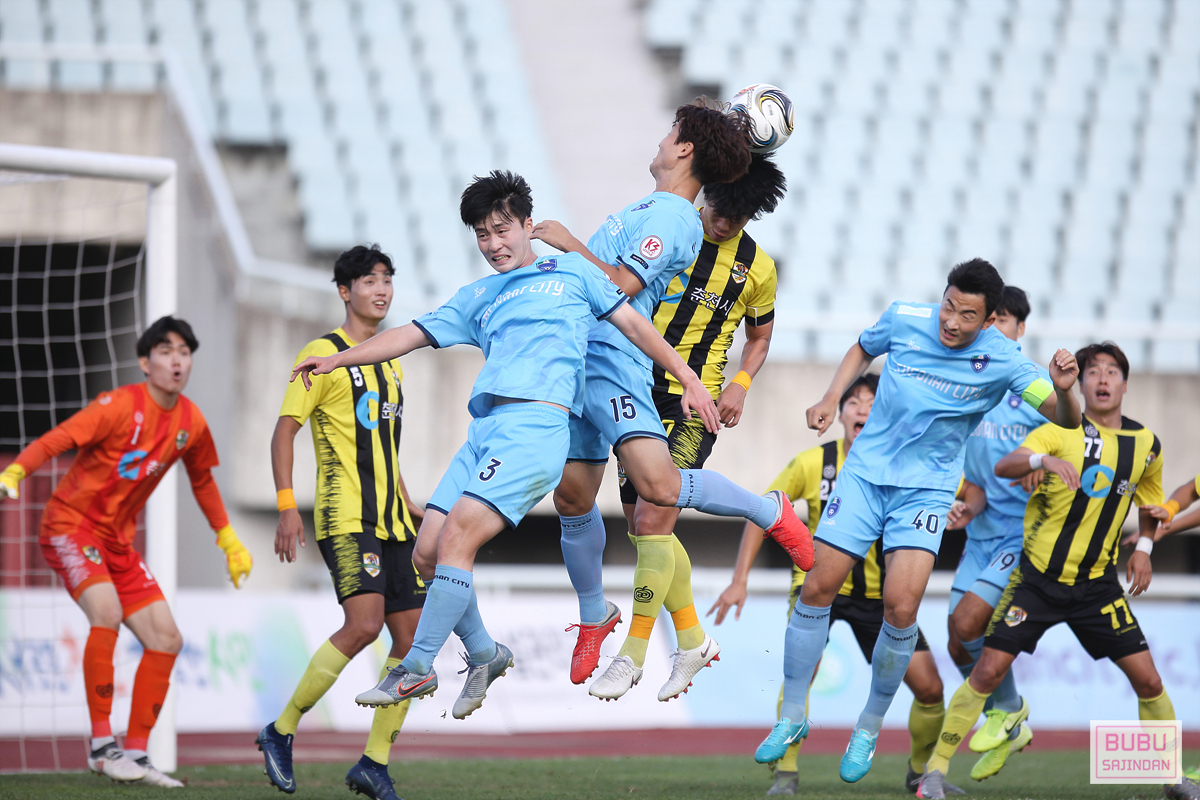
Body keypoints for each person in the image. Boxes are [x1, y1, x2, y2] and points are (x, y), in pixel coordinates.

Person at [290, 171, 720, 734]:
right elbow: (410, 335)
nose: (493, 244)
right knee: (427, 553)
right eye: (482, 235)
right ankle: (485, 652)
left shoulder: (571, 271)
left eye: (502, 230)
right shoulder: (479, 295)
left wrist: (688, 378)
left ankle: (416, 667)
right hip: (485, 433)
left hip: (535, 430)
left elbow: (636, 326)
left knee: (459, 540)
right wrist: (338, 359)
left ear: (526, 224)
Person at [756, 259, 1083, 784]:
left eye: (967, 315)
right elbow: (862, 347)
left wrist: (1066, 389)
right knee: (816, 588)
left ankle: (868, 725)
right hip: (865, 477)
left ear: (988, 319)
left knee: (902, 607)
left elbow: (1067, 419)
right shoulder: (906, 317)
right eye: (949, 306)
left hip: (926, 491)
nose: (951, 321)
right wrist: (830, 398)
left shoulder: (1003, 358)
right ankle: (792, 715)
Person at [532, 106, 812, 703]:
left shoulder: (755, 267)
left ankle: (632, 655)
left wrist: (739, 383)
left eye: (737, 217)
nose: (723, 223)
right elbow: (625, 293)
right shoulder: (675, 225)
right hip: (636, 376)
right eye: (719, 209)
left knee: (654, 515)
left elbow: (760, 337)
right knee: (638, 525)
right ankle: (691, 641)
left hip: (690, 397)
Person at [917, 342, 1199, 800]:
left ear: (1126, 384)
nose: (1102, 379)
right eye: (1093, 372)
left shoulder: (1146, 444)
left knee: (1149, 680)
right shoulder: (1057, 430)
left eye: (1112, 372)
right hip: (1037, 583)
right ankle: (934, 772)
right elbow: (1006, 465)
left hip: (1098, 588)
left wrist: (1145, 548)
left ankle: (1172, 778)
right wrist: (1041, 460)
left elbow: (1151, 503)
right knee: (986, 673)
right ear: (1080, 383)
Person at [0, 316, 251, 786]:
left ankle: (135, 754)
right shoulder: (117, 405)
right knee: (107, 612)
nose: (177, 362)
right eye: (166, 351)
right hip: (70, 526)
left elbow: (202, 481)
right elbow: (59, 438)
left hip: (117, 542)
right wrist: (17, 470)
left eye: (184, 353)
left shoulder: (191, 422)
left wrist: (228, 539)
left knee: (167, 639)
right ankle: (102, 747)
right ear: (144, 362)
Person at [712, 375, 960, 796]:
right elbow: (764, 509)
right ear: (841, 412)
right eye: (855, 402)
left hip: (881, 600)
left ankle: (920, 772)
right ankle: (786, 774)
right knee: (801, 674)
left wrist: (959, 504)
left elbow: (957, 488)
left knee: (930, 688)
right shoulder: (815, 462)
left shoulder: (914, 466)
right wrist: (739, 580)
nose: (863, 409)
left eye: (873, 402)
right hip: (820, 591)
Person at [255, 246, 426, 799]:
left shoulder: (390, 360)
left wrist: (409, 502)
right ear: (344, 291)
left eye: (387, 280)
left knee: (412, 641)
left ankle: (374, 762)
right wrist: (286, 505)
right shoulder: (320, 354)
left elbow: (383, 448)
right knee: (364, 625)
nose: (381, 289)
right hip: (347, 516)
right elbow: (284, 431)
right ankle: (281, 729)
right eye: (369, 280)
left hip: (393, 520)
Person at [943, 285, 1047, 781]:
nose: (996, 328)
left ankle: (1005, 711)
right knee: (956, 642)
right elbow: (978, 478)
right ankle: (1010, 718)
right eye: (990, 319)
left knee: (968, 625)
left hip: (1020, 535)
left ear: (1020, 329)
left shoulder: (1034, 387)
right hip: (981, 531)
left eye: (1005, 319)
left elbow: (1074, 437)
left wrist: (1042, 463)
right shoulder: (973, 382)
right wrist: (967, 504)